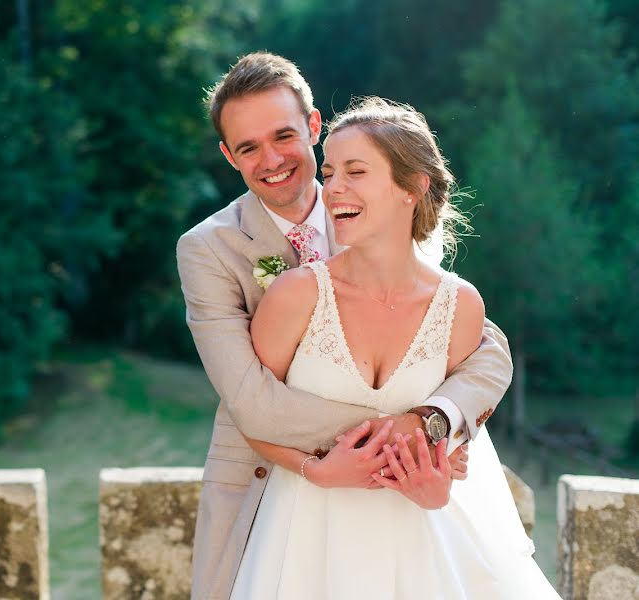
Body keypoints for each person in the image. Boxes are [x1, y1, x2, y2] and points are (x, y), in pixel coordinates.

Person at [176, 53, 513, 600]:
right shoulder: (207, 249)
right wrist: (407, 437)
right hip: (269, 487)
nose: (272, 159)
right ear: (228, 156)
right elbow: (249, 399)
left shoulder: (381, 203)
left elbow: (484, 344)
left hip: (405, 507)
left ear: (313, 126)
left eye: (283, 136)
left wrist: (439, 418)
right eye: (248, 147)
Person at [228, 96, 560, 598]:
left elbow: (456, 441)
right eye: (332, 170)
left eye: (356, 171)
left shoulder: (460, 305)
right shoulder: (295, 295)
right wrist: (312, 469)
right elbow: (250, 415)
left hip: (423, 543)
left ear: (413, 187)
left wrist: (439, 486)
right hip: (305, 535)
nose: (333, 186)